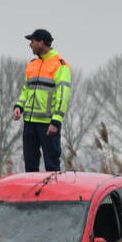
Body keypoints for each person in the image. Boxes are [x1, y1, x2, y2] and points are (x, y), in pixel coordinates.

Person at [13, 29, 71, 172]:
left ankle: (53, 195)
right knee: (30, 167)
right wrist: (19, 106)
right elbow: (26, 89)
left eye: (32, 42)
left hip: (48, 125)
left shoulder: (60, 65)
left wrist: (56, 121)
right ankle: (32, 195)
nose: (30, 45)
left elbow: (62, 95)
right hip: (30, 124)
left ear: (41, 43)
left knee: (52, 167)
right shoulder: (32, 64)